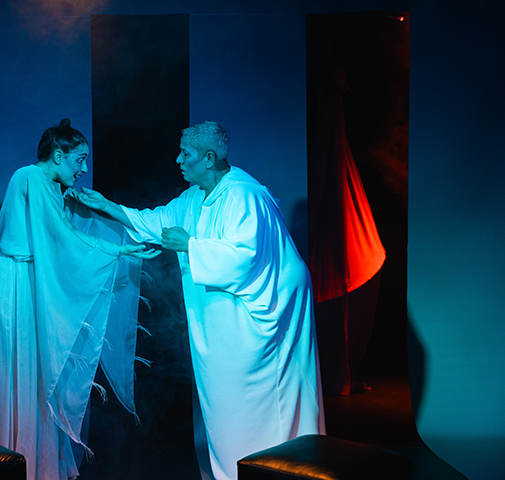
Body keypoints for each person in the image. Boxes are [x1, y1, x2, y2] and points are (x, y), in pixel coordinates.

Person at [76, 120, 325, 480]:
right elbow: (156, 223)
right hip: (223, 315)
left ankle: (277, 468)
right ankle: (236, 469)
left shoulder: (244, 195)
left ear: (208, 159)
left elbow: (246, 257)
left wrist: (190, 245)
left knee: (266, 401)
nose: (178, 160)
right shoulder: (194, 198)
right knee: (226, 400)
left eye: (186, 154)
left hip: (264, 313)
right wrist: (107, 206)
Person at [0, 119, 160, 480]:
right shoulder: (30, 177)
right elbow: (62, 239)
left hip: (25, 281)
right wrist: (117, 250)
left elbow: (66, 232)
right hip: (12, 286)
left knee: (34, 377)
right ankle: (11, 461)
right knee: (17, 375)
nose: (83, 169)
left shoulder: (46, 185)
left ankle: (31, 461)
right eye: (79, 159)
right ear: (58, 155)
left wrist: (88, 211)